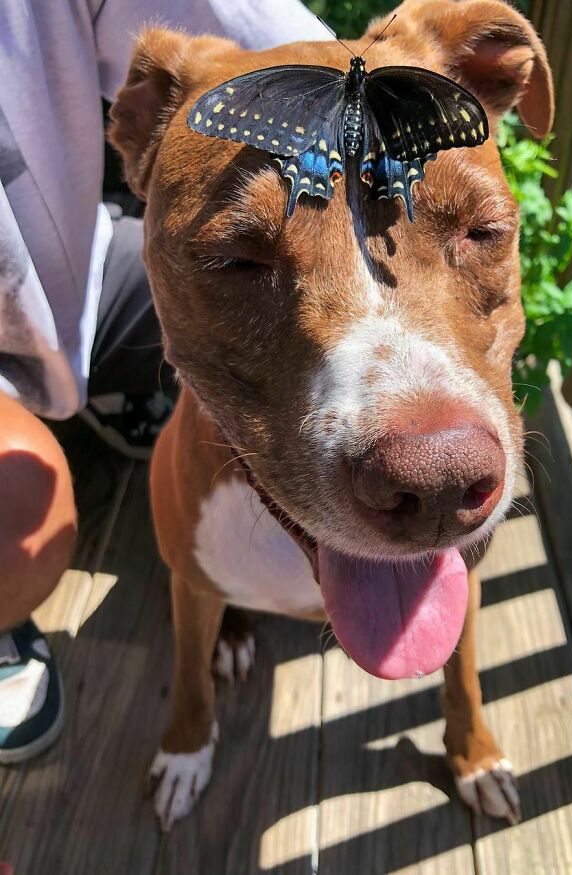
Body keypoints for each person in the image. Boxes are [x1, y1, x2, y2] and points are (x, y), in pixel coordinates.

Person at [0, 0, 327, 764]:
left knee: (211, 277)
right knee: (18, 522)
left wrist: (394, 92)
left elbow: (271, 50)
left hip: (58, 290)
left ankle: (111, 388)